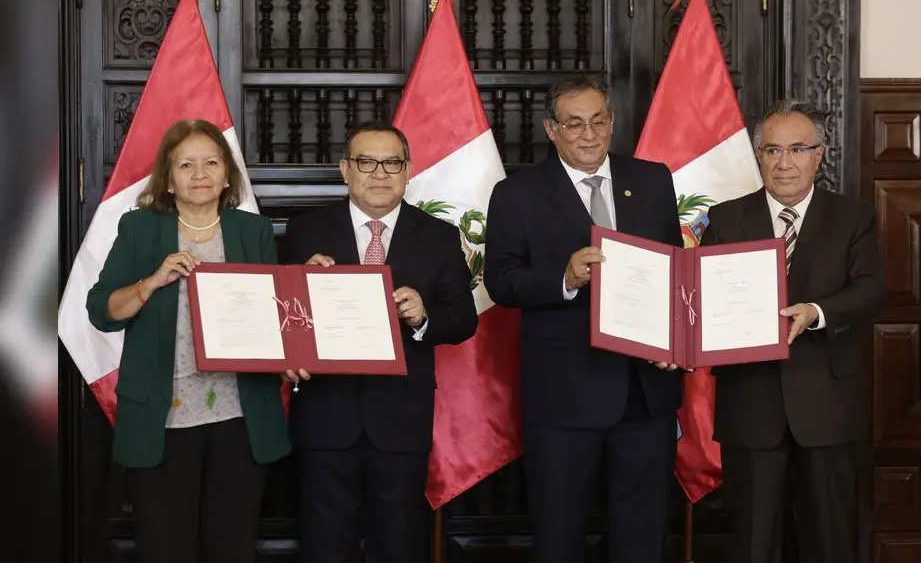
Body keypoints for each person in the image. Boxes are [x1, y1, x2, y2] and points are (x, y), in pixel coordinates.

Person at [483, 75, 685, 563]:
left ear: (612, 122)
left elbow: (675, 272)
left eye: (599, 121)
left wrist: (675, 342)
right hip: (563, 397)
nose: (589, 134)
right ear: (551, 130)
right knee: (559, 532)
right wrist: (564, 278)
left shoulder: (652, 180)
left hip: (644, 393)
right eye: (575, 124)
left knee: (642, 533)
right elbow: (501, 281)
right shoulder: (517, 194)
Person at [86, 119, 291, 563]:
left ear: (226, 175)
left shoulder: (251, 231)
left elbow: (272, 314)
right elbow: (101, 312)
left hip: (241, 417)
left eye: (211, 163)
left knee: (232, 548)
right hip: (162, 419)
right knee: (166, 549)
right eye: (186, 165)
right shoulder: (140, 228)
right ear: (169, 179)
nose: (200, 174)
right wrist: (153, 281)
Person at [282, 119, 478, 563]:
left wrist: (425, 316)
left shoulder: (439, 236)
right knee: (325, 545)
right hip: (326, 416)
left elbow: (464, 321)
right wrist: (302, 284)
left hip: (400, 418)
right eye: (367, 162)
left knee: (400, 544)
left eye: (392, 162)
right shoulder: (305, 232)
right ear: (344, 169)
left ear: (408, 170)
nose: (380, 173)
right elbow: (283, 321)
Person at [700, 99, 886, 563]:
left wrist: (817, 311)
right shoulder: (724, 220)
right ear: (758, 155)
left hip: (826, 403)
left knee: (831, 539)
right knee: (753, 542)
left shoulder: (853, 217)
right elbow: (700, 298)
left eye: (797, 150)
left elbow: (871, 289)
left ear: (819, 154)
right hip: (750, 402)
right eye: (772, 151)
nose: (784, 164)